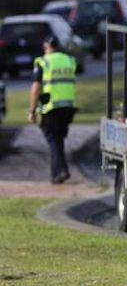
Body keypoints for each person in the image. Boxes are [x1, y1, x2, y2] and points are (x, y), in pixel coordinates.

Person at [28, 35, 77, 184]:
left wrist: (32, 110)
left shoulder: (43, 62)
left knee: (52, 139)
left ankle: (62, 170)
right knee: (58, 139)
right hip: (67, 106)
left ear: (46, 46)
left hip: (51, 106)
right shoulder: (69, 60)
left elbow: (35, 88)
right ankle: (56, 175)